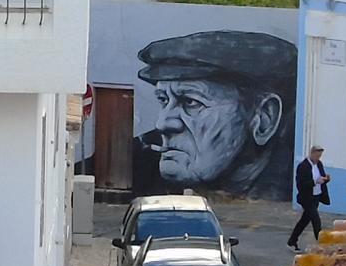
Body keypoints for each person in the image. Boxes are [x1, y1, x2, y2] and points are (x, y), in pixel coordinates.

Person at [131, 30, 298, 200]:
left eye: (190, 102)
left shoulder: (299, 181)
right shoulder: (139, 160)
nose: (162, 123)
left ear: (264, 119)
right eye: (163, 100)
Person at [287, 145, 330, 252]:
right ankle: (322, 246)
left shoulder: (319, 164)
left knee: (304, 221)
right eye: (317, 156)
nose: (318, 158)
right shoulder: (303, 166)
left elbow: (321, 178)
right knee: (316, 221)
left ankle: (291, 242)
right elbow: (301, 185)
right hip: (307, 198)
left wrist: (326, 179)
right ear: (312, 153)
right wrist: (315, 182)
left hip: (316, 197)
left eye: (320, 156)